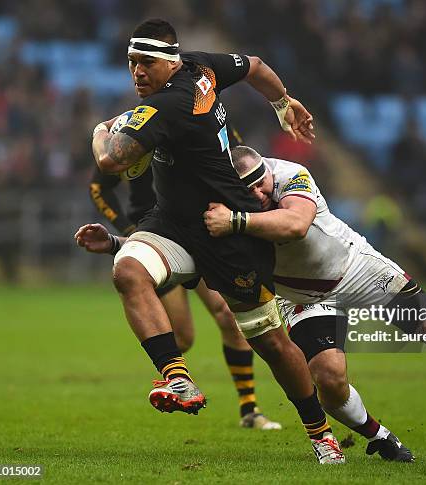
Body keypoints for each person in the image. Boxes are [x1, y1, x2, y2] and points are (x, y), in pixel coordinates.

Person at [89, 18, 344, 464]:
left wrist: (99, 130)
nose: (137, 73)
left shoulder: (167, 106)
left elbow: (111, 161)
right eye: (131, 63)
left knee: (270, 342)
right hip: (171, 224)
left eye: (146, 63)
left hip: (225, 230)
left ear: (170, 61)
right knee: (128, 270)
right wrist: (283, 101)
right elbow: (256, 66)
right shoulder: (203, 68)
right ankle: (177, 376)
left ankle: (319, 432)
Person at [199, 146, 426, 457]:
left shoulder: (291, 174)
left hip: (356, 268)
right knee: (328, 379)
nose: (260, 191)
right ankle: (381, 438)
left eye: (262, 181)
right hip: (304, 298)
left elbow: (296, 224)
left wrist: (236, 221)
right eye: (250, 188)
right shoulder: (219, 206)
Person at [88, 143, 281, 429]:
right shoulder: (135, 131)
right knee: (184, 337)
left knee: (228, 315)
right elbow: (98, 187)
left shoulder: (208, 121)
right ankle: (173, 374)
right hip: (157, 237)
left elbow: (242, 163)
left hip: (204, 233)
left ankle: (249, 408)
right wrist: (131, 232)